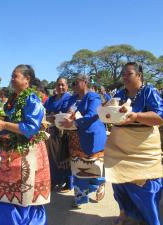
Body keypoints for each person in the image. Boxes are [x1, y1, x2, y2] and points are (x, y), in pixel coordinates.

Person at [0, 64, 50, 225]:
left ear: (27, 79)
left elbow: (30, 129)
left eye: (15, 76)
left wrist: (4, 125)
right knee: (4, 194)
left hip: (27, 153)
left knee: (24, 195)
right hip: (11, 152)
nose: (11, 79)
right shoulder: (12, 100)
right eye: (11, 76)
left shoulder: (32, 99)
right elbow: (7, 121)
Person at [104, 62, 163, 225]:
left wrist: (136, 116)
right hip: (120, 144)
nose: (124, 76)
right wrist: (108, 110)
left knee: (144, 185)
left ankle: (149, 219)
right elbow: (111, 114)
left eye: (128, 73)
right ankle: (125, 212)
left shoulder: (149, 91)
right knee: (119, 181)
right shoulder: (119, 93)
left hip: (143, 146)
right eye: (123, 73)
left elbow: (159, 117)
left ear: (139, 75)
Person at [60, 74, 107, 208]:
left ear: (85, 82)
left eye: (76, 82)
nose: (73, 85)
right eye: (72, 83)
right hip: (75, 138)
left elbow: (92, 115)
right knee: (78, 168)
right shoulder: (72, 98)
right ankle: (80, 197)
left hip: (91, 137)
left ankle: (99, 184)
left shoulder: (93, 97)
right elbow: (65, 112)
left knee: (92, 166)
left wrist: (74, 121)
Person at [44, 77, 73, 192]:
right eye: (58, 85)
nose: (60, 87)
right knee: (52, 157)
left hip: (64, 132)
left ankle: (68, 183)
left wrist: (54, 115)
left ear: (67, 86)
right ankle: (54, 181)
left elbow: (68, 112)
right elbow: (44, 110)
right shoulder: (51, 99)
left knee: (65, 156)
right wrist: (49, 115)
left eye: (63, 85)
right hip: (51, 131)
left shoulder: (69, 98)